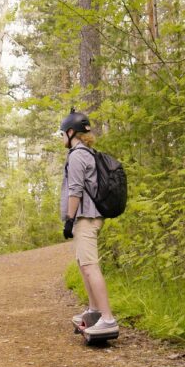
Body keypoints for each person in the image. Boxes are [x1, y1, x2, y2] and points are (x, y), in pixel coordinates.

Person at [58, 110, 119, 338]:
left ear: (71, 132)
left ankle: (108, 319)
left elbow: (75, 190)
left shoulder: (76, 155)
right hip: (90, 217)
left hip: (85, 217)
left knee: (90, 266)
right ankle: (94, 312)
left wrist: (69, 219)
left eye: (62, 133)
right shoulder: (87, 153)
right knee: (85, 264)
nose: (62, 137)